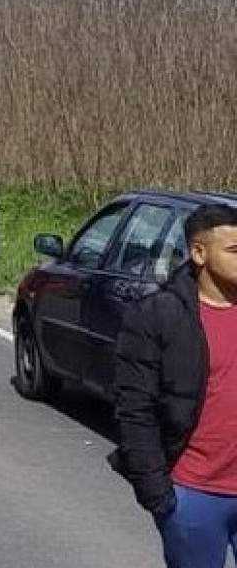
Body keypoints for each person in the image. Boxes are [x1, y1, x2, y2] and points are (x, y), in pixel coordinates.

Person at [111, 204, 237, 568]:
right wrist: (158, 495)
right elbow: (135, 408)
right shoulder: (158, 315)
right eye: (234, 250)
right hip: (194, 493)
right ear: (199, 253)